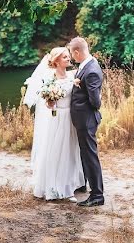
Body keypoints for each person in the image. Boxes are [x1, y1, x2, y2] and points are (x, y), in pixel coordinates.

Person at [22, 47, 83, 201]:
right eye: (64, 57)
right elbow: (48, 103)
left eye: (68, 56)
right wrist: (50, 102)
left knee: (69, 152)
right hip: (57, 119)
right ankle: (54, 187)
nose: (68, 59)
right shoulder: (50, 79)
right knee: (56, 151)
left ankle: (68, 186)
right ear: (56, 61)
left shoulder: (71, 75)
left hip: (70, 118)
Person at [67, 37, 104, 207]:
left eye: (71, 54)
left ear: (77, 51)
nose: (72, 58)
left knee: (90, 155)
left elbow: (95, 102)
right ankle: (85, 185)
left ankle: (97, 195)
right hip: (82, 119)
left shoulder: (91, 71)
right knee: (85, 154)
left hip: (87, 120)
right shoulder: (86, 66)